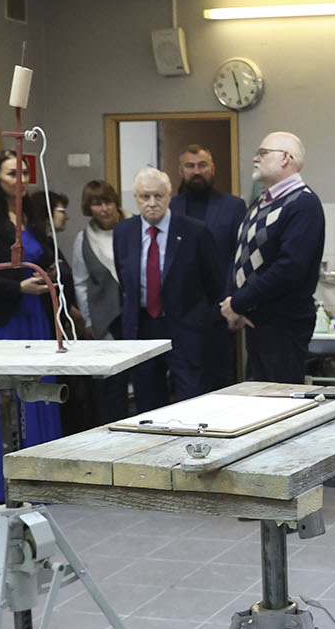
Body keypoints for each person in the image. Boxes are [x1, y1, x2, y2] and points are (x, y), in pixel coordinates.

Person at [0, 151, 71, 507]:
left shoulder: (32, 214)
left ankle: (42, 482)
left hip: (37, 319)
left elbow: (50, 256)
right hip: (2, 322)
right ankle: (0, 485)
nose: (20, 180)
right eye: (11, 174)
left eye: (23, 172)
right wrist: (16, 287)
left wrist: (51, 272)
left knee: (40, 396)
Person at [113, 167, 224, 412]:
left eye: (159, 196)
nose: (152, 203)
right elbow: (125, 279)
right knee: (147, 405)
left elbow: (215, 283)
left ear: (169, 196)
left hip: (185, 328)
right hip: (143, 327)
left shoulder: (195, 231)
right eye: (145, 196)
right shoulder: (123, 232)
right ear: (136, 198)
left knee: (193, 403)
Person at [220, 132, 324, 384]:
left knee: (279, 399)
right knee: (260, 397)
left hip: (283, 324)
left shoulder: (303, 204)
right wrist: (233, 301)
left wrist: (240, 301)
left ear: (285, 158)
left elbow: (290, 268)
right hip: (257, 321)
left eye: (263, 153)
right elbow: (240, 253)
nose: (255, 158)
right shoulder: (261, 202)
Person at [171, 145, 246, 390]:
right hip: (180, 316)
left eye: (202, 165)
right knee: (185, 386)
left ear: (212, 168)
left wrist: (235, 303)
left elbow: (238, 258)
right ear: (181, 171)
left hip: (219, 312)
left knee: (221, 383)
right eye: (190, 166)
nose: (196, 171)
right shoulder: (170, 208)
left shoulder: (233, 206)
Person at [69, 179, 128, 424]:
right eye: (96, 204)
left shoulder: (133, 229)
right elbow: (80, 282)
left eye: (107, 202)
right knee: (111, 385)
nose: (104, 209)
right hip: (104, 319)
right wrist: (88, 320)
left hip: (135, 314)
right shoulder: (83, 239)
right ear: (88, 208)